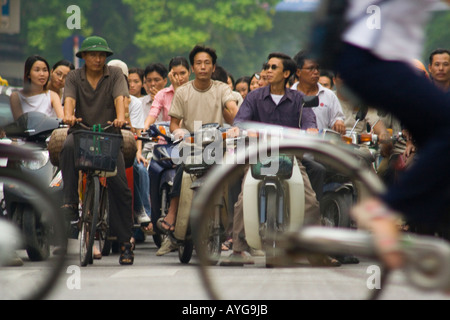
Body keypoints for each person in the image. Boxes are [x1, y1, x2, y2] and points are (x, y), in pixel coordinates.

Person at [330, 0, 450, 270]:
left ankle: (426, 238)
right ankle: (384, 212)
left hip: (367, 61)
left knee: (435, 149)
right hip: (375, 63)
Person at [225, 52, 339, 266]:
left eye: (273, 67)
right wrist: (238, 130)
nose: (267, 70)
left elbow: (309, 122)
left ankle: (314, 250)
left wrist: (311, 131)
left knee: (311, 201)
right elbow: (240, 120)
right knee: (243, 199)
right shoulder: (254, 97)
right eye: (266, 67)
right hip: (259, 156)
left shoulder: (298, 99)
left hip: (290, 158)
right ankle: (238, 250)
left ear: (287, 73)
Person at [60, 36, 134, 265]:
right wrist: (69, 116)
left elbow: (121, 99)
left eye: (102, 54)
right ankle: (70, 203)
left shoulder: (115, 75)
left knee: (120, 187)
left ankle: (124, 243)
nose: (98, 58)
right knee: (67, 146)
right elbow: (69, 100)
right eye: (93, 54)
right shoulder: (73, 76)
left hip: (109, 136)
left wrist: (121, 119)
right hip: (80, 133)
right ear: (83, 56)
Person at [156, 44, 238, 239]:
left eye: (207, 63)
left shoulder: (222, 89)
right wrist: (180, 133)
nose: (203, 67)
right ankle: (173, 213)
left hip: (218, 144)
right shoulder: (183, 92)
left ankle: (234, 227)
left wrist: (237, 122)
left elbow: (232, 108)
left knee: (234, 171)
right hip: (191, 144)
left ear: (213, 67)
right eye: (199, 63)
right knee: (181, 167)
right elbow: (174, 124)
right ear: (193, 68)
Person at [107, 59, 151, 227]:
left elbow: (137, 133)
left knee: (138, 168)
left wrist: (138, 152)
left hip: (126, 146)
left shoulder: (135, 102)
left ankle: (140, 209)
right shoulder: (100, 98)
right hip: (102, 144)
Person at [293, 50, 346, 135]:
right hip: (293, 144)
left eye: (317, 68)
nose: (316, 72)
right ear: (298, 72)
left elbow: (337, 118)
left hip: (320, 145)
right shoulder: (289, 95)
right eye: (311, 68)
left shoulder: (329, 95)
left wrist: (339, 122)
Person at [10, 55, 64, 120]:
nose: (42, 74)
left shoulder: (52, 95)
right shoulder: (16, 97)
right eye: (37, 70)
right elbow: (20, 123)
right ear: (28, 74)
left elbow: (62, 118)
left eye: (45, 70)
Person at [143, 56, 191, 130]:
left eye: (183, 73)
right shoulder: (162, 94)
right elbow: (152, 114)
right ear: (170, 75)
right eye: (175, 74)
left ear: (189, 72)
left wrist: (176, 89)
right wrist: (145, 126)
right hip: (167, 138)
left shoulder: (196, 92)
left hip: (191, 136)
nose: (179, 78)